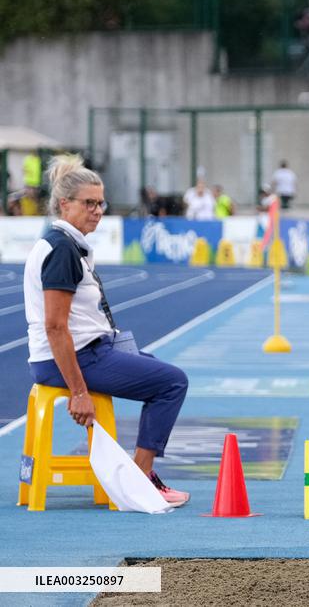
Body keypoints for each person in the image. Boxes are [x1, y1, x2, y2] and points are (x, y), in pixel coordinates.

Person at [22, 155, 189, 505]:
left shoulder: (66, 244)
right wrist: (78, 391)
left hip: (85, 351)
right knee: (172, 382)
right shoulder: (62, 250)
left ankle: (139, 472)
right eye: (89, 203)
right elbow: (55, 327)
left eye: (101, 203)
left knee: (156, 366)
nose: (98, 210)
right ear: (64, 205)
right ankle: (140, 478)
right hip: (75, 357)